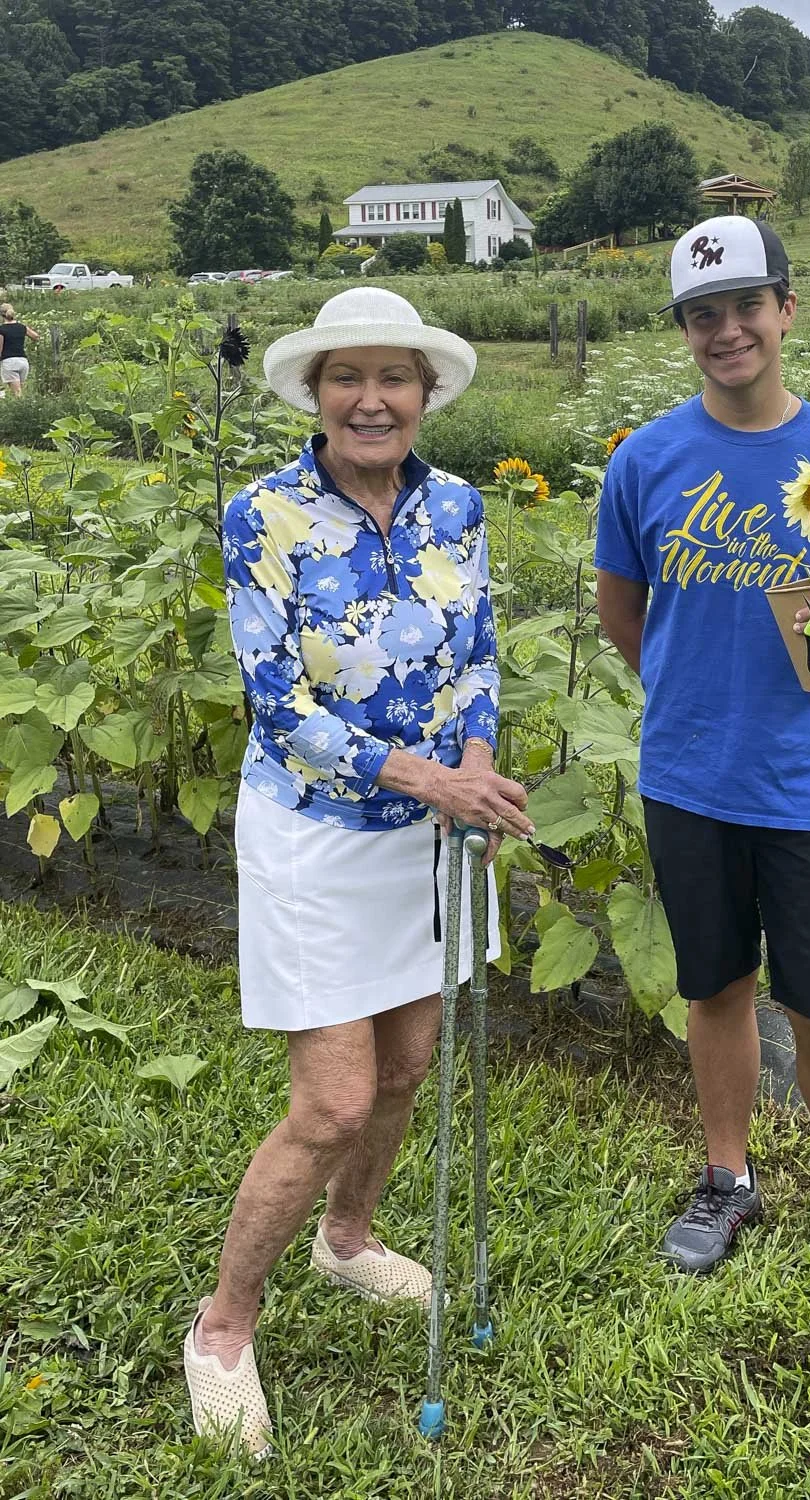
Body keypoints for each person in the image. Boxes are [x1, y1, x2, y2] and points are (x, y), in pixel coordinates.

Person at [184, 286, 534, 1456]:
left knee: (408, 1064)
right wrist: (434, 781)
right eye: (349, 377)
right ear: (315, 391)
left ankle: (348, 1239)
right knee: (333, 1100)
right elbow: (279, 707)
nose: (372, 399)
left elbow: (478, 658)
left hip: (431, 834)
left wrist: (473, 766)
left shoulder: (459, 507)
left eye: (394, 377)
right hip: (317, 836)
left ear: (425, 393)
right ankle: (223, 1328)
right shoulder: (265, 516)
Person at [594, 217, 810, 1286]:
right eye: (702, 314)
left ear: (786, 309)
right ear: (683, 329)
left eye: (745, 306)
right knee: (717, 989)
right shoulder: (644, 460)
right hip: (689, 778)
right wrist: (690, 691)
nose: (726, 330)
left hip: (809, 782)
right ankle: (726, 1179)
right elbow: (621, 612)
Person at [0, 302, 40, 396]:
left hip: (9, 362)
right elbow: (36, 336)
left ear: (2, 315)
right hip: (23, 361)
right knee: (20, 391)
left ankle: (20, 405)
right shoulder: (22, 327)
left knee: (17, 393)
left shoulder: (2, 329)